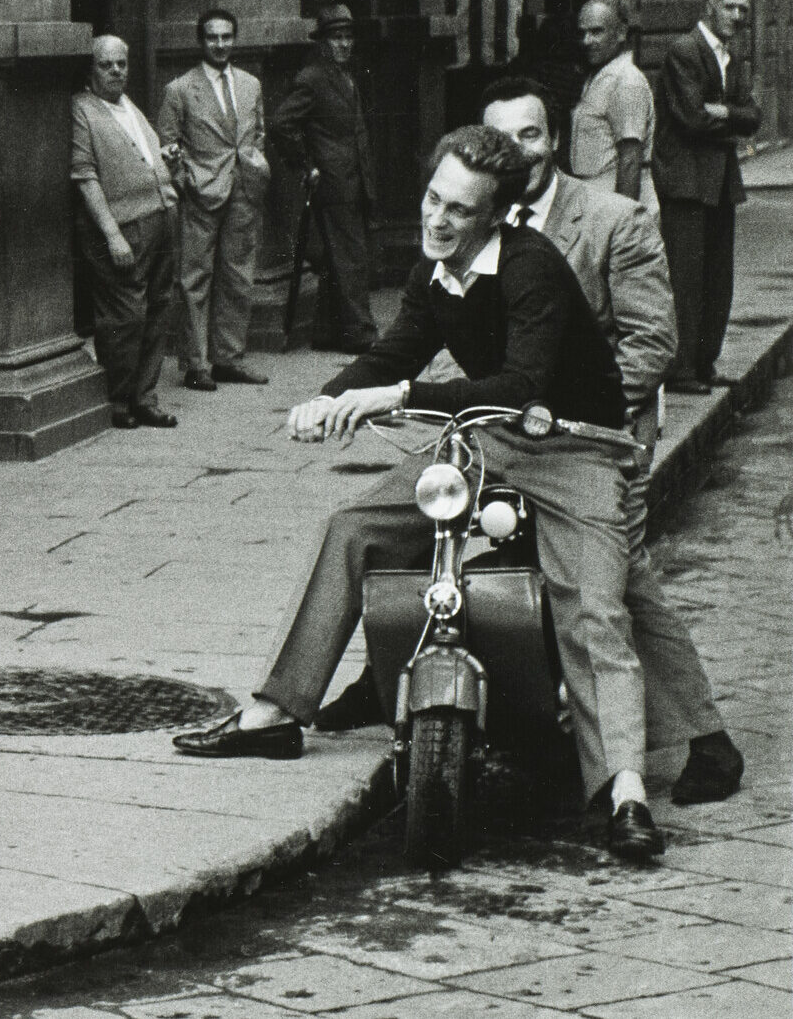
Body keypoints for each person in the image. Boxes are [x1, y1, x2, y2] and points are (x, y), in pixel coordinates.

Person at [173, 125, 668, 862]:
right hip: (486, 440)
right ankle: (276, 710)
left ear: (495, 216)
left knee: (595, 607)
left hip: (574, 447)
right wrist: (329, 398)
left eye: (459, 211)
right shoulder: (433, 271)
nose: (438, 219)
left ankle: (624, 791)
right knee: (354, 526)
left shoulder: (531, 267)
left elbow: (520, 384)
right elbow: (394, 349)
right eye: (434, 200)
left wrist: (395, 396)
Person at [478, 79, 742, 804]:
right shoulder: (483, 220)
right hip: (520, 432)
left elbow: (652, 342)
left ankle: (706, 742)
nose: (517, 153)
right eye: (501, 140)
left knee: (618, 578)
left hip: (603, 433)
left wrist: (564, 413)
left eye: (530, 136)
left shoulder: (612, 218)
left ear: (554, 139)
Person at [649, 0, 759, 395]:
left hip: (719, 182)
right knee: (686, 278)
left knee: (718, 278)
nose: (737, 16)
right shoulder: (684, 50)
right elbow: (692, 117)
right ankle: (680, 371)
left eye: (743, 10)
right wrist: (734, 119)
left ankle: (704, 364)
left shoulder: (733, 57)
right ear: (710, 7)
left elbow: (754, 118)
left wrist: (725, 114)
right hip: (687, 182)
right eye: (729, 7)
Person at [70, 36, 181, 431]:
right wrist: (112, 233)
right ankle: (118, 400)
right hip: (123, 227)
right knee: (124, 316)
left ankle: (144, 397)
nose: (116, 71)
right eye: (106, 65)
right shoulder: (84, 108)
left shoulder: (127, 104)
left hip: (161, 216)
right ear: (91, 70)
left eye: (121, 63)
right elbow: (85, 177)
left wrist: (163, 160)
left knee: (157, 308)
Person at [158, 8, 273, 391]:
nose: (220, 44)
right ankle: (196, 364)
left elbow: (257, 133)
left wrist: (254, 166)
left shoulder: (250, 84)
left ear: (234, 39)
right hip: (201, 194)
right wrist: (186, 180)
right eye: (212, 37)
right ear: (201, 41)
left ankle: (229, 358)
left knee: (238, 276)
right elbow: (168, 144)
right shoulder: (180, 89)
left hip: (243, 191)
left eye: (226, 37)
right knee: (195, 279)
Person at [274, 3, 380, 353]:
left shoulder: (346, 75)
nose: (344, 44)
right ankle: (361, 334)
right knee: (350, 257)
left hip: (353, 178)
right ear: (322, 42)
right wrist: (306, 165)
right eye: (337, 38)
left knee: (341, 257)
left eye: (348, 37)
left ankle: (328, 332)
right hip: (333, 182)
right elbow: (281, 124)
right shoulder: (313, 78)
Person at [572, 0, 658, 216]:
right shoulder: (601, 74)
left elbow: (630, 159)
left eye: (597, 32)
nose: (587, 40)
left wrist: (622, 221)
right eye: (582, 33)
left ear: (621, 33)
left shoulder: (626, 81)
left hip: (613, 201)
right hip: (595, 198)